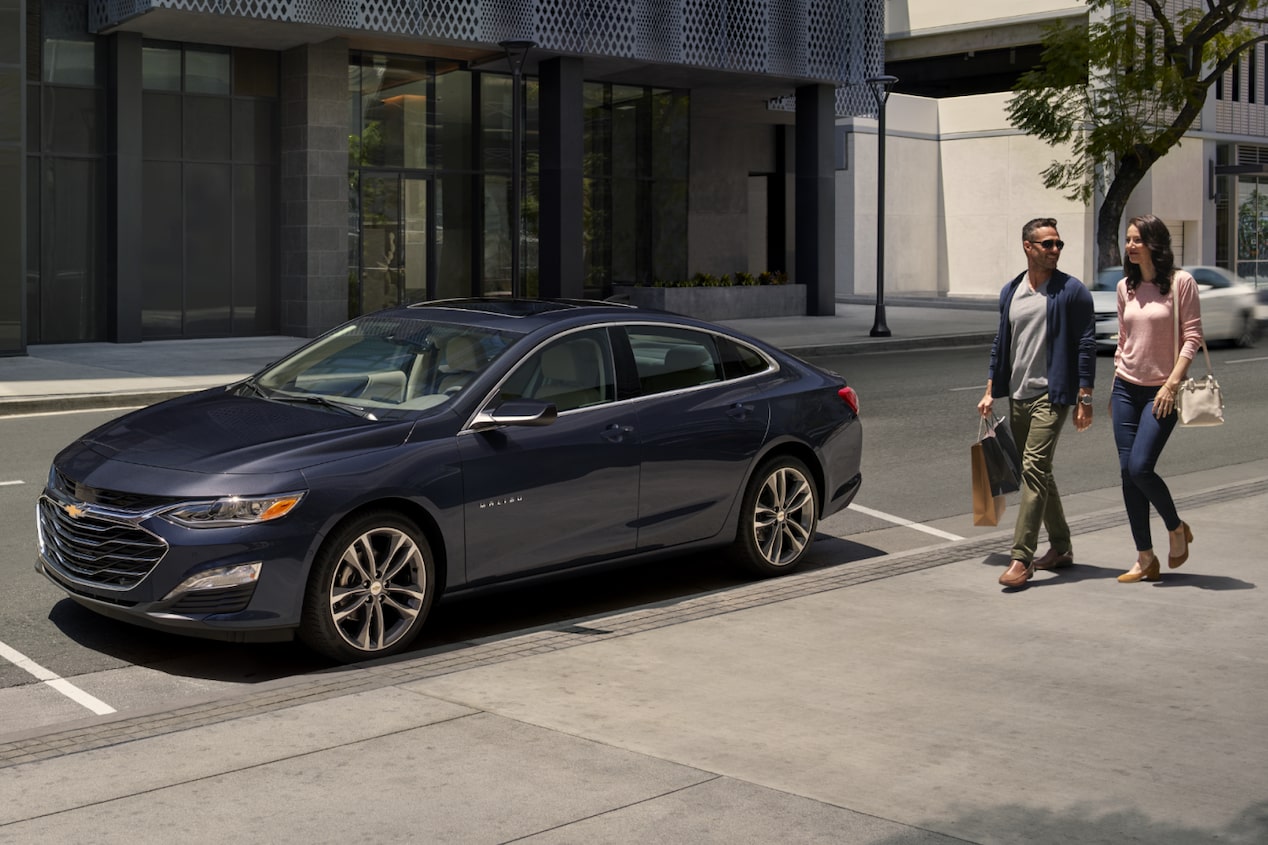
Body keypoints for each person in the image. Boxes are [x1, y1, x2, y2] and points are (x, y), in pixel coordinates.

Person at [977, 218, 1096, 589]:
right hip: (1018, 395)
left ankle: (1021, 559)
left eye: (1059, 244)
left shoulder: (1072, 292)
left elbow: (1086, 344)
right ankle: (1061, 548)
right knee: (1040, 473)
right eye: (1048, 244)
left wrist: (1085, 397)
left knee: (1032, 468)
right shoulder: (1011, 291)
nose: (1056, 250)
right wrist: (990, 389)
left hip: (1052, 394)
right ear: (1028, 247)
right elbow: (1002, 343)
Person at [1110, 215, 1200, 583]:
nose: (1130, 246)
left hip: (1163, 391)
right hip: (1124, 389)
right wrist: (1119, 371)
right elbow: (1123, 338)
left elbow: (1192, 337)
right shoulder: (1123, 288)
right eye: (1127, 240)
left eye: (1137, 240)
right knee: (1128, 474)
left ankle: (1176, 527)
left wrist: (1172, 385)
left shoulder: (1181, 283)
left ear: (1154, 244)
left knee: (1140, 467)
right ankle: (1145, 557)